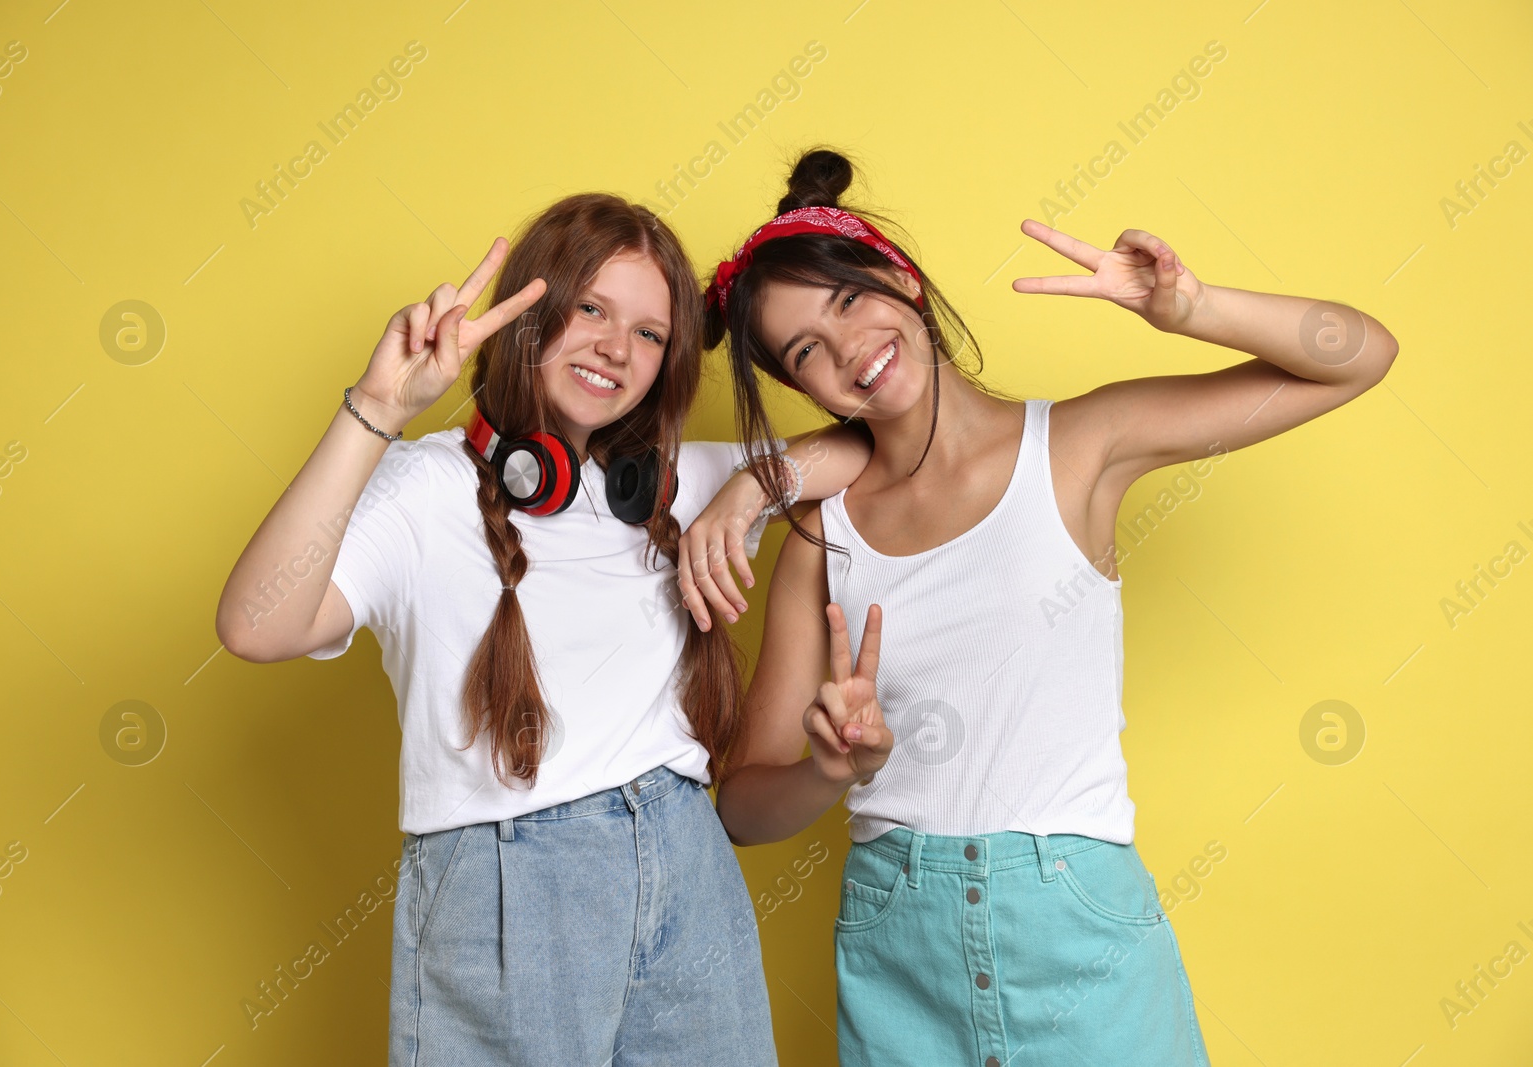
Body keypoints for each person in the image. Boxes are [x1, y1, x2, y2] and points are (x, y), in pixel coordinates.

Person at [699, 148, 1399, 1066]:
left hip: (1078, 925)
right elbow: (744, 808)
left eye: (849, 300)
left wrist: (1193, 311)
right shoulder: (821, 542)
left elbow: (1359, 356)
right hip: (896, 940)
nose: (847, 348)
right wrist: (830, 771)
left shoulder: (1078, 445)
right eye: (805, 351)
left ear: (901, 278)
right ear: (803, 390)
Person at [214, 192, 871, 1067]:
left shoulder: (669, 487)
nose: (614, 347)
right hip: (508, 877)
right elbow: (256, 624)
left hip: (688, 864)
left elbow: (866, 448)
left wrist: (752, 486)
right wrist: (377, 406)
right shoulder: (422, 488)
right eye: (590, 308)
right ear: (528, 310)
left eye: (648, 333)